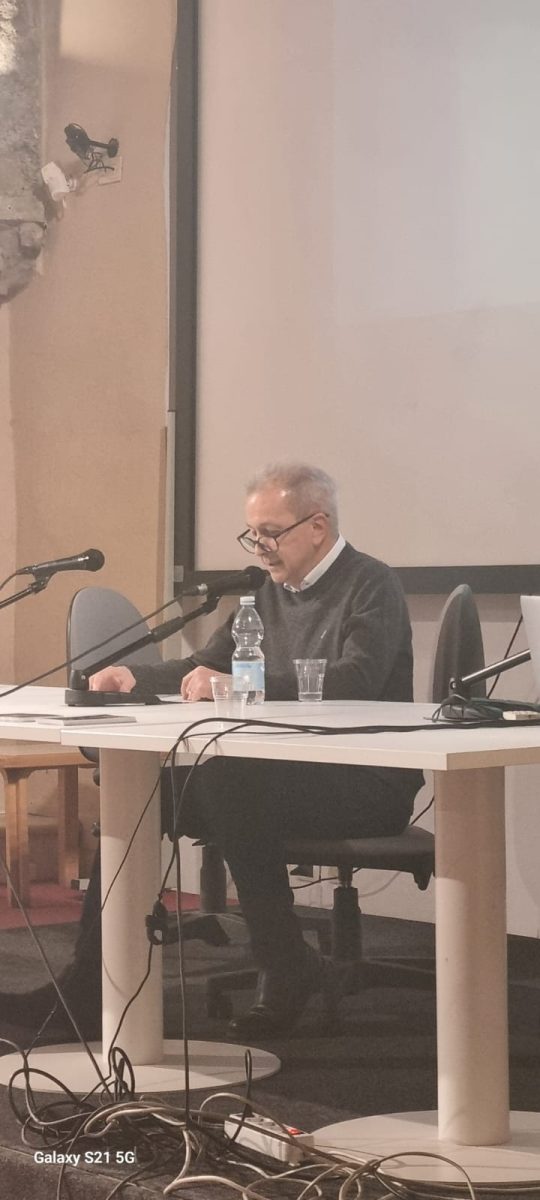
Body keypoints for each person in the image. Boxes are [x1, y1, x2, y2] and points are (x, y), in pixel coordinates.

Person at [0, 463, 423, 1039]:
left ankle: (285, 963)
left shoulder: (371, 584)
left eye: (271, 532)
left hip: (365, 783)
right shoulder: (267, 593)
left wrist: (241, 684)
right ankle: (90, 983)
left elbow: (357, 680)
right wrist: (134, 676)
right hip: (278, 779)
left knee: (227, 779)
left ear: (318, 526)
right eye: (252, 534)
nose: (260, 547)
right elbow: (206, 665)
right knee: (140, 789)